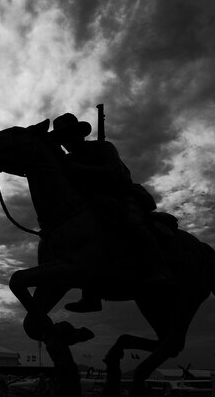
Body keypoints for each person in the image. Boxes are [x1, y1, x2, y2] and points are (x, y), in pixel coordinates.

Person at [49, 113, 171, 313]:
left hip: (124, 196)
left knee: (133, 224)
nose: (66, 143)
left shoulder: (103, 148)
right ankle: (91, 295)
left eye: (68, 137)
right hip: (95, 203)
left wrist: (78, 168)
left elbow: (116, 173)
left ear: (78, 135)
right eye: (62, 140)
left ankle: (162, 270)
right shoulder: (68, 160)